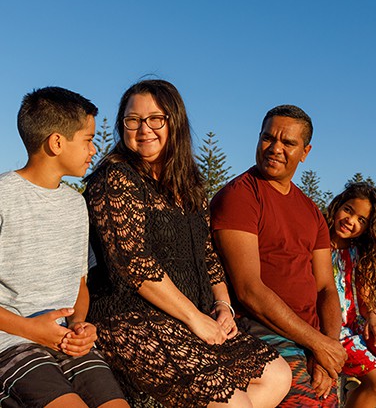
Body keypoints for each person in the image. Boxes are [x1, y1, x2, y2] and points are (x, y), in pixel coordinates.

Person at [84, 79, 291, 408]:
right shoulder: (116, 177)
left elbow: (208, 257)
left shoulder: (189, 183)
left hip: (188, 315)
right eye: (132, 120)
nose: (143, 129)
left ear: (174, 121)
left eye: (155, 118)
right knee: (234, 404)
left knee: (278, 375)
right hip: (132, 318)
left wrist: (223, 305)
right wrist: (195, 319)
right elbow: (134, 264)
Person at [0, 87, 129, 408]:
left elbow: (79, 284)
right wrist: (32, 330)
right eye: (87, 139)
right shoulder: (4, 197)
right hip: (11, 343)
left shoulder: (75, 205)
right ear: (56, 142)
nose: (93, 148)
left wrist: (79, 324)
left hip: (66, 342)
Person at [210, 105, 347, 407]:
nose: (275, 149)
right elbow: (249, 290)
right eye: (268, 138)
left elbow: (326, 286)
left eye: (288, 143)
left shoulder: (312, 211)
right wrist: (318, 344)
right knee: (306, 400)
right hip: (259, 328)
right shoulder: (240, 196)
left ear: (305, 152)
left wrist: (328, 347)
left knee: (329, 400)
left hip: (310, 336)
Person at [326, 182, 376, 407]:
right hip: (332, 328)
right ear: (338, 205)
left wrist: (373, 315)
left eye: (361, 220)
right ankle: (355, 392)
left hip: (355, 323)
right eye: (348, 210)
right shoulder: (317, 244)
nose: (351, 221)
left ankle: (353, 390)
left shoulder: (358, 252)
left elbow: (363, 294)